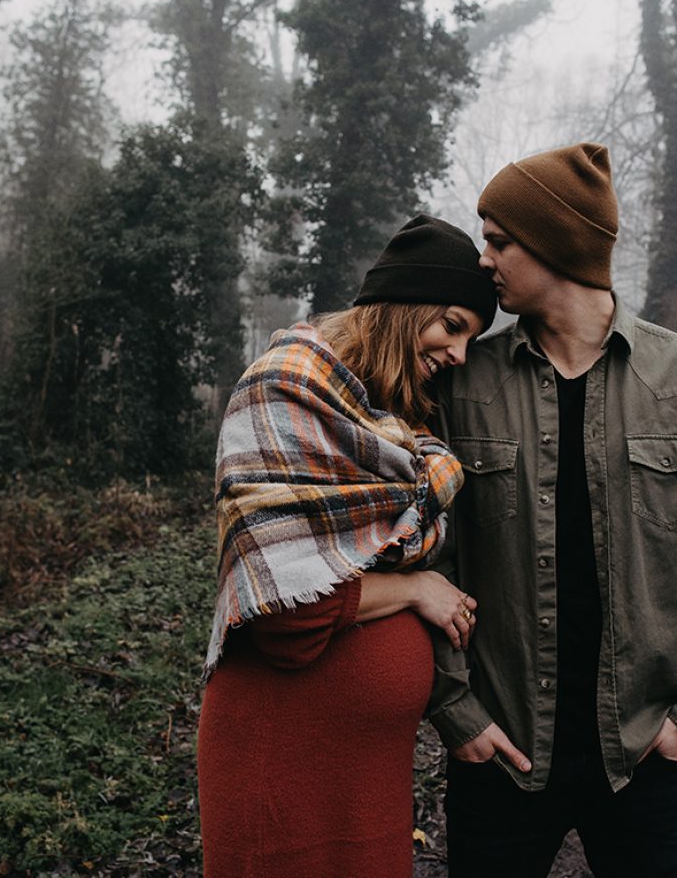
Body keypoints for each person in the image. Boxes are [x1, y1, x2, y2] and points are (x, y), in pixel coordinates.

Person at [427, 143, 677, 877]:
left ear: (558, 242)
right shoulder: (463, 382)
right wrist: (459, 715)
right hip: (503, 755)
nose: (484, 260)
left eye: (499, 240)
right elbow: (431, 559)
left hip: (645, 757)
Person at [197, 214, 497, 878]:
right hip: (282, 765)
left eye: (472, 339)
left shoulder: (401, 423)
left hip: (368, 775)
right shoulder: (283, 389)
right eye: (452, 325)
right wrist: (417, 587)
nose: (458, 353)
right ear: (405, 305)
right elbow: (286, 612)